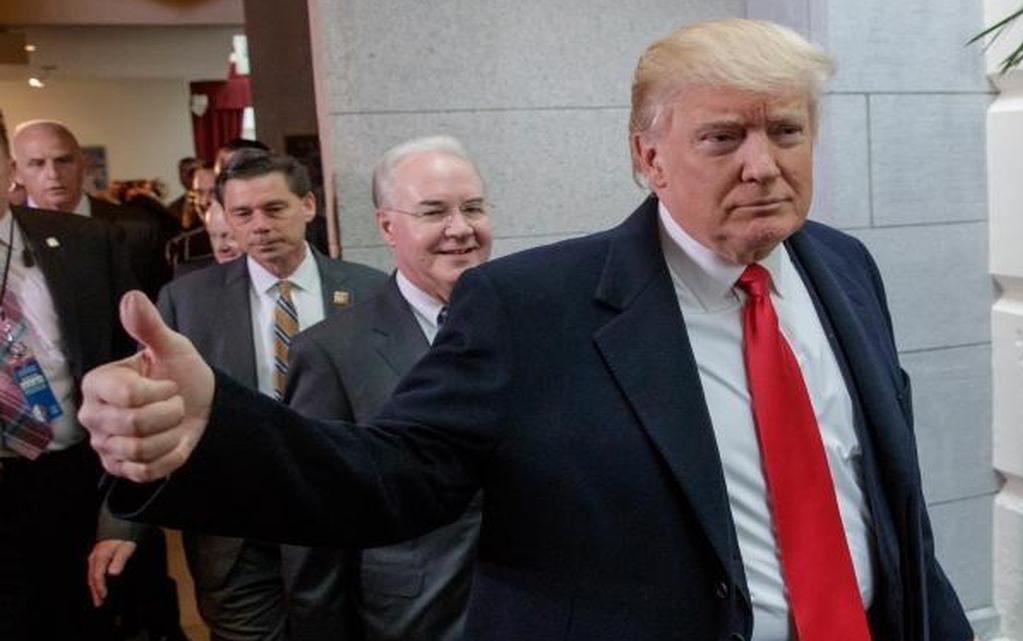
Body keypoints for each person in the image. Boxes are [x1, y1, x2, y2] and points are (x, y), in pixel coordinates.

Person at [80, 19, 975, 641]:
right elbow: (392, 478)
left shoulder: (843, 267)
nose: (763, 164)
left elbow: (879, 494)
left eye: (787, 129)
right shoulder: (530, 306)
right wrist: (214, 431)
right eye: (722, 137)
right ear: (647, 155)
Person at [97, 148, 385, 641]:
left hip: (337, 516)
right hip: (233, 527)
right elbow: (149, 410)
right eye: (242, 214)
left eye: (274, 209)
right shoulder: (187, 300)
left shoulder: (369, 290)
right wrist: (119, 526)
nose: (259, 226)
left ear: (308, 206)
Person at [281, 135, 489, 641]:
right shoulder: (331, 352)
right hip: (414, 621)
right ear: (387, 226)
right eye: (434, 212)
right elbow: (316, 529)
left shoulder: (530, 321)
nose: (460, 229)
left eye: (474, 208)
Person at [0, 114, 139, 640]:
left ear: (8, 169)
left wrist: (122, 507)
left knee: (83, 619)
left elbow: (131, 363)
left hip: (74, 476)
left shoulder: (85, 242)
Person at [10, 120, 174, 300]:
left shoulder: (138, 228)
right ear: (15, 172)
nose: (53, 174)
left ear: (83, 164)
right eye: (37, 164)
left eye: (63, 161)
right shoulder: (7, 235)